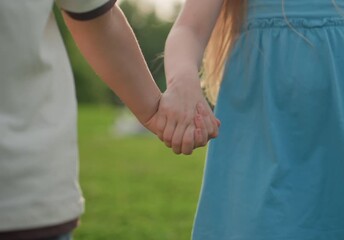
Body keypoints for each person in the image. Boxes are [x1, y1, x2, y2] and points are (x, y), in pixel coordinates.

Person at [164, 0, 344, 239]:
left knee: (341, 218)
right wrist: (182, 80)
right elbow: (189, 28)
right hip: (263, 125)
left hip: (340, 126)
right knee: (260, 223)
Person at [0, 0, 218, 239]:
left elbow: (94, 14)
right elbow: (95, 17)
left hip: (26, 189)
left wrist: (153, 112)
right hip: (27, 190)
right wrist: (156, 109)